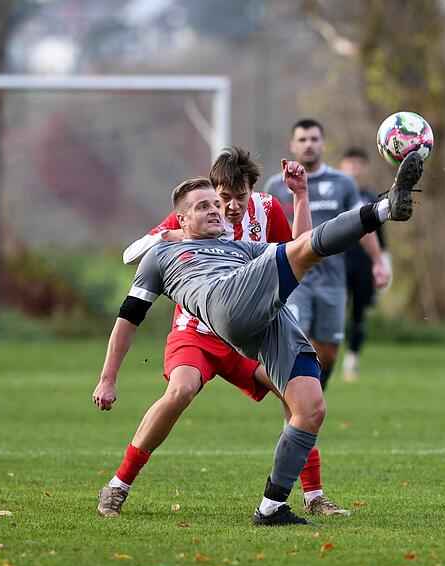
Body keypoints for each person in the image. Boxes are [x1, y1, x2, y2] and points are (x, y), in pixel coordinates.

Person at [92, 152, 423, 525]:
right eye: (212, 202)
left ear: (252, 192)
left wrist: (300, 197)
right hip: (202, 327)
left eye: (230, 200)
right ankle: (119, 484)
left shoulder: (253, 229)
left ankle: (285, 503)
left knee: (308, 403)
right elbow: (128, 310)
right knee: (181, 390)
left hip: (253, 321)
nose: (224, 209)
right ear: (184, 218)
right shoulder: (169, 246)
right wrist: (108, 377)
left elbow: (305, 246)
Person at [265, 119, 389, 390]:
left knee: (329, 352)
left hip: (333, 279)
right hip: (295, 279)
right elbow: (264, 229)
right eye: (302, 140)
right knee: (297, 345)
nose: (308, 144)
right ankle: (296, 411)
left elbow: (363, 225)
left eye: (314, 139)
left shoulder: (342, 183)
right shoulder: (276, 185)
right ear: (292, 145)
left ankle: (312, 401)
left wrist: (378, 263)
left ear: (322, 143)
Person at [339, 147, 390, 381]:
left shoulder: (371, 198)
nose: (354, 169)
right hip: (337, 263)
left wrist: (383, 263)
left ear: (365, 168)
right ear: (342, 167)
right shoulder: (335, 196)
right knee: (335, 312)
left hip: (363, 265)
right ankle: (322, 357)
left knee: (359, 314)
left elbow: (381, 236)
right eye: (350, 164)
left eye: (359, 164)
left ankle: (351, 363)